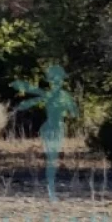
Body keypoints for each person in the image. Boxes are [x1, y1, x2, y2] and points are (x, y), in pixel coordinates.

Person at [12, 64, 78, 201]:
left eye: (58, 79)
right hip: (49, 128)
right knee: (51, 158)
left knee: (53, 158)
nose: (56, 82)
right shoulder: (48, 95)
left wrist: (66, 108)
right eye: (54, 79)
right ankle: (51, 189)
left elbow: (74, 113)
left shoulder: (64, 96)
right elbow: (30, 102)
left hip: (59, 128)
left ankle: (51, 187)